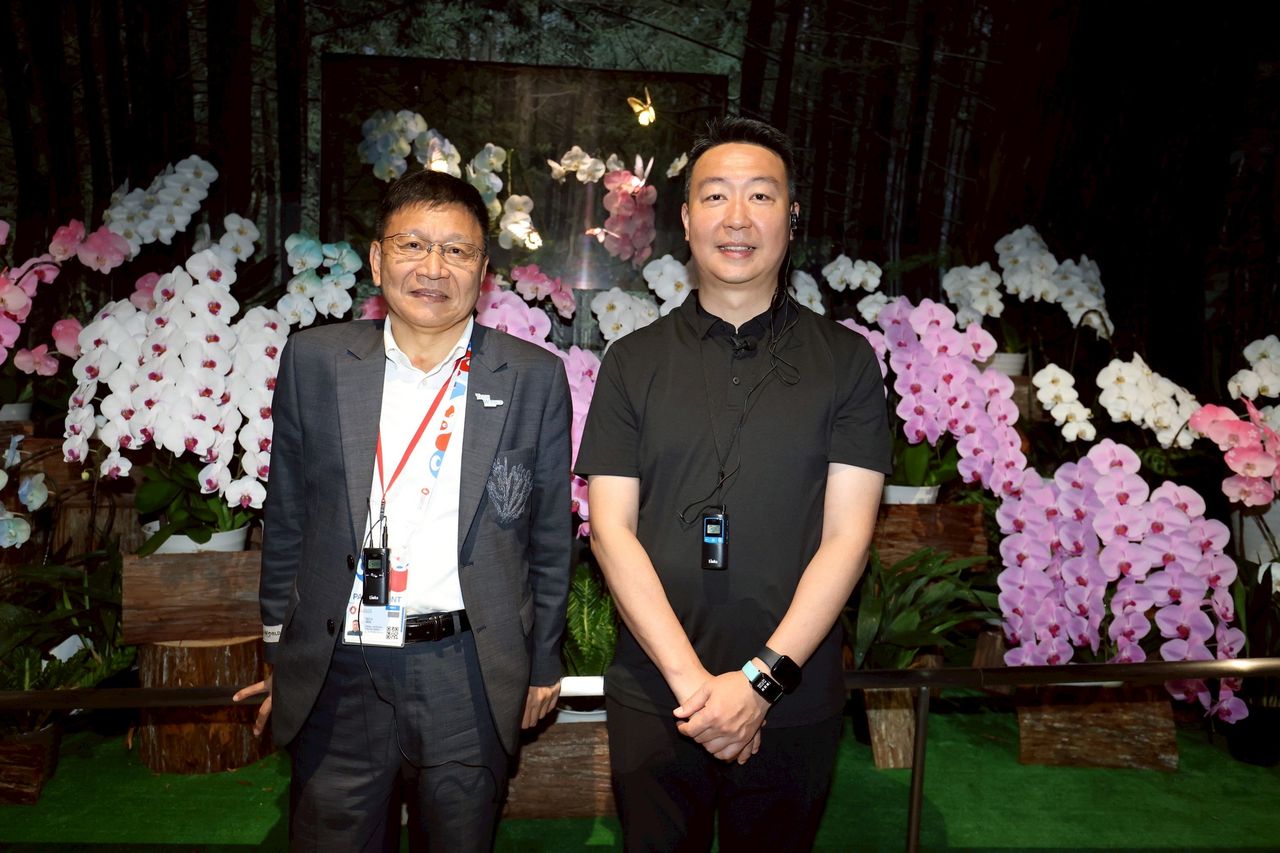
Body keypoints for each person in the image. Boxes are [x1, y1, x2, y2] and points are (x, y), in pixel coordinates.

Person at [574, 116, 891, 852]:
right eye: (715, 196)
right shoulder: (631, 362)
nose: (738, 218)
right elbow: (611, 530)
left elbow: (848, 538)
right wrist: (696, 687)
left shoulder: (846, 362)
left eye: (761, 195)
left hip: (795, 695)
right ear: (686, 219)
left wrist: (759, 683)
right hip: (657, 693)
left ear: (791, 215)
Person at [234, 169, 572, 852]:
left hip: (465, 668)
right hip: (341, 665)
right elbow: (289, 513)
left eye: (457, 250)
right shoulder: (316, 361)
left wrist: (543, 662)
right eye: (413, 244)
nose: (433, 267)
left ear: (483, 271)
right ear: (377, 257)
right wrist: (278, 648)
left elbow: (547, 538)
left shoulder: (532, 377)